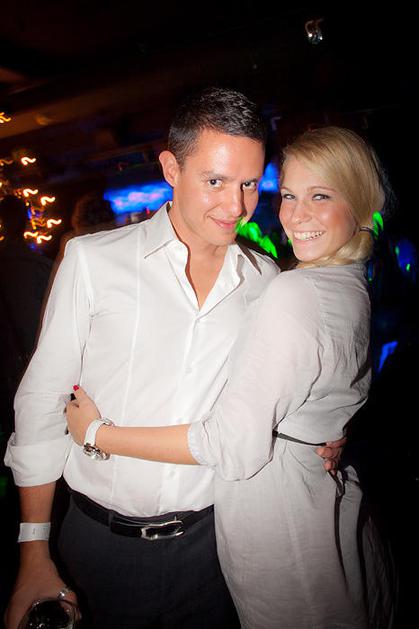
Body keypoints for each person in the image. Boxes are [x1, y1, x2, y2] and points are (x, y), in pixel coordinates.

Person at [4, 87, 342, 629]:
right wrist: (33, 551)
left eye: (249, 184)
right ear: (170, 169)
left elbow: (270, 397)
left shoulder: (267, 281)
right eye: (215, 181)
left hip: (217, 547)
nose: (235, 207)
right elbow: (42, 403)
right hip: (97, 547)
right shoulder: (93, 262)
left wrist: (316, 432)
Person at [66, 127, 397, 628]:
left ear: (360, 203)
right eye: (289, 195)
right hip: (323, 507)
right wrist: (323, 428)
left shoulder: (294, 291)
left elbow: (232, 445)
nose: (295, 216)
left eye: (320, 196)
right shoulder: (350, 281)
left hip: (281, 525)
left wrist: (96, 433)